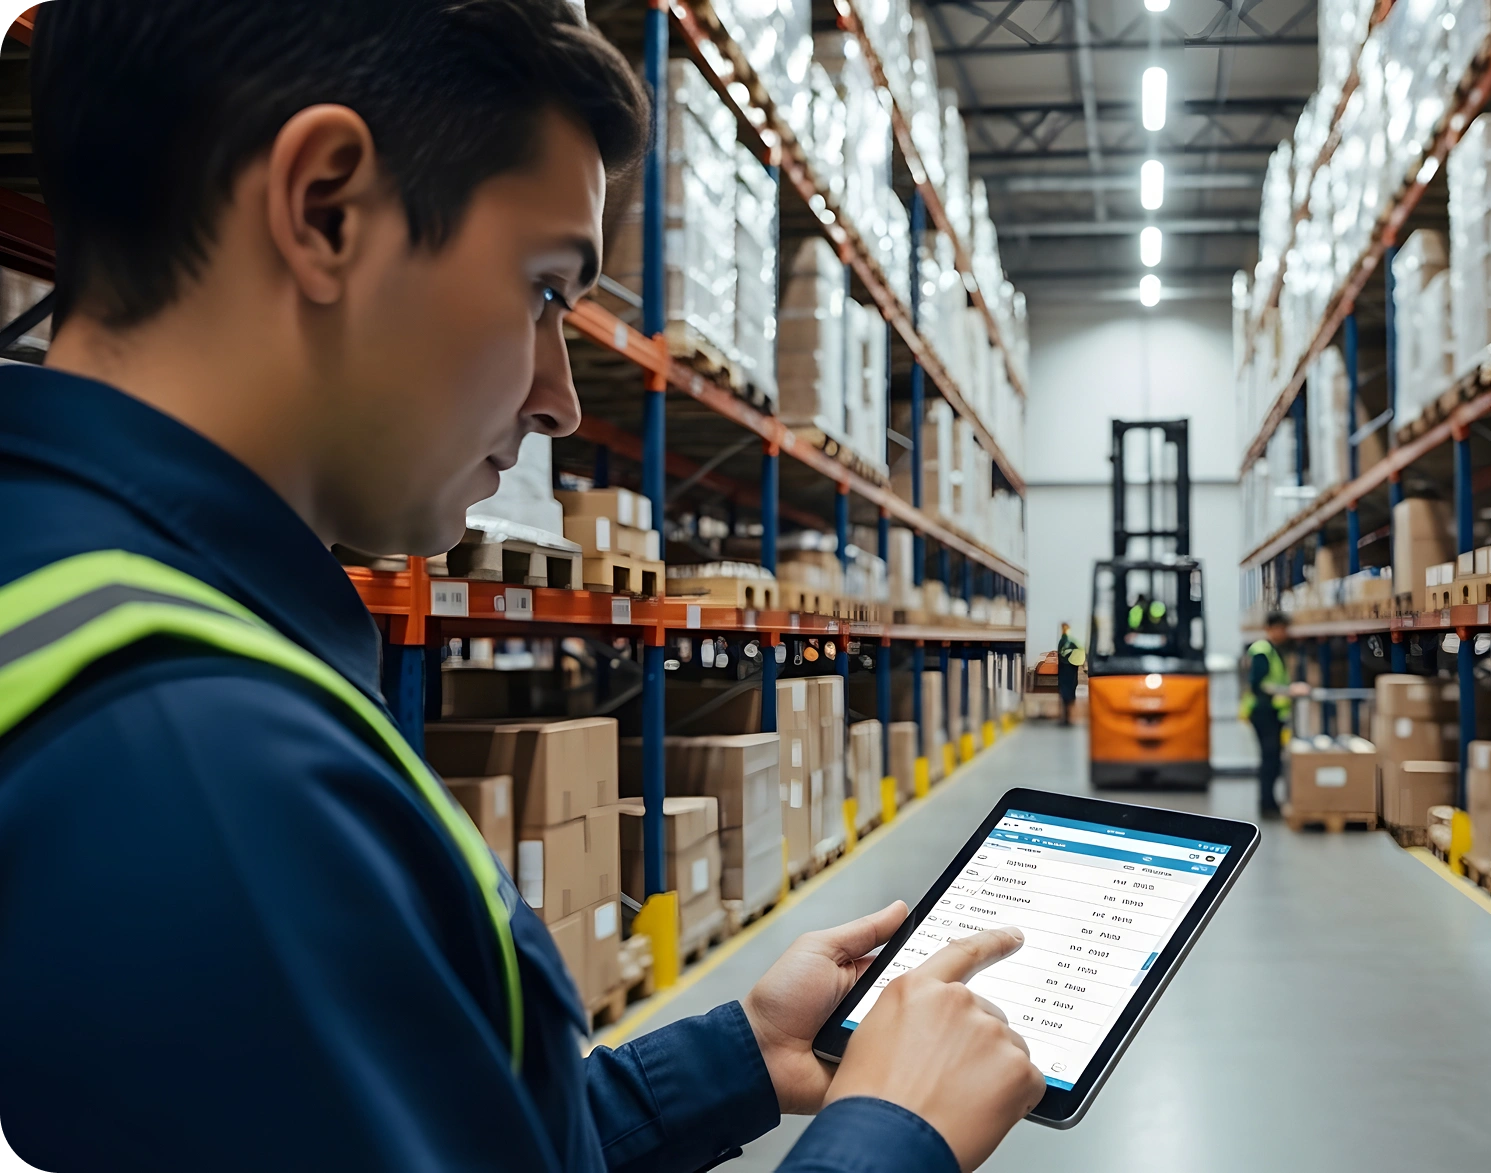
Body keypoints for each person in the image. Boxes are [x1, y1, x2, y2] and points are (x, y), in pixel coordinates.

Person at [0, 3, 1042, 1170]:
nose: (561, 398)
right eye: (547, 290)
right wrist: (889, 1140)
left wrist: (731, 1059)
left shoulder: (79, 599)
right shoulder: (208, 786)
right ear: (324, 209)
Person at [1240, 612, 1310, 817]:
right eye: (1279, 628)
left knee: (1273, 758)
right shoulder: (1262, 651)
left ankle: (1271, 803)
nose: (1282, 633)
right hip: (1262, 712)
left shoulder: (1275, 650)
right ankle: (1267, 805)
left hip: (1273, 712)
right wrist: (1289, 691)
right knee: (1269, 758)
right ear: (1269, 629)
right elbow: (1259, 684)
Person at [1055, 621, 1082, 726]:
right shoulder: (1068, 641)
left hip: (1067, 671)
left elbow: (1062, 654)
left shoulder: (1066, 641)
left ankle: (1067, 718)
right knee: (1067, 696)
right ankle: (1067, 718)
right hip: (1068, 672)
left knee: (1067, 696)